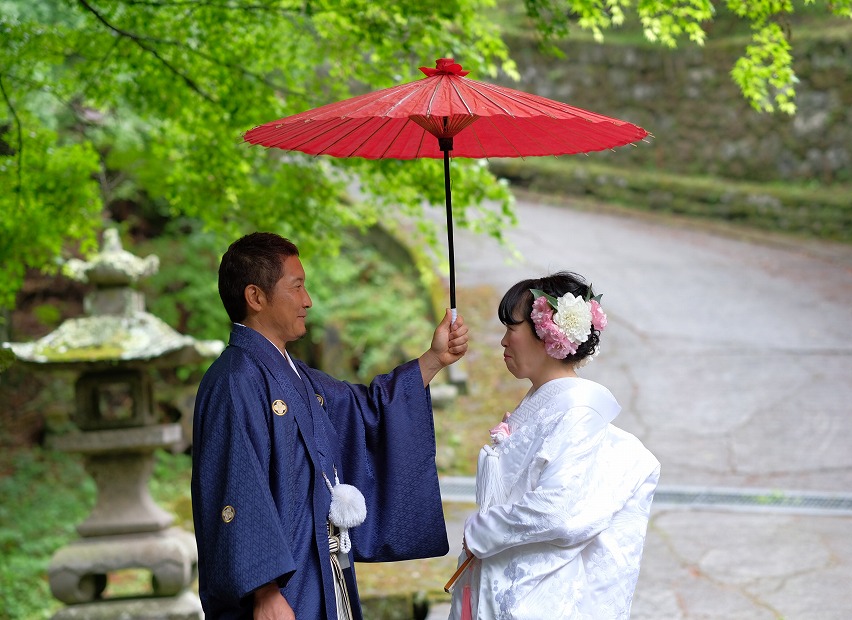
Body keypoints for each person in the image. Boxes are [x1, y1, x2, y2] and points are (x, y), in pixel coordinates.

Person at [191, 232, 468, 619]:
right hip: (281, 588)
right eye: (297, 287)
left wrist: (434, 359)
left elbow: (365, 410)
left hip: (323, 568)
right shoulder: (235, 380)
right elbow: (235, 487)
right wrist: (263, 591)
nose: (307, 301)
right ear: (255, 297)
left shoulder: (298, 377)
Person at [448, 271, 660, 620]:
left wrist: (481, 531)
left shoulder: (578, 410)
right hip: (502, 579)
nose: (503, 341)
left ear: (547, 333)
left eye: (511, 329)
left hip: (534, 591)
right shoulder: (545, 403)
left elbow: (558, 511)